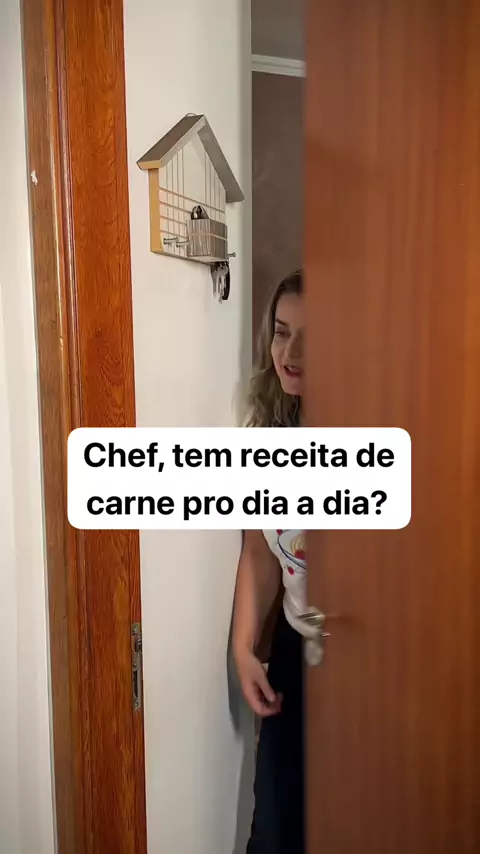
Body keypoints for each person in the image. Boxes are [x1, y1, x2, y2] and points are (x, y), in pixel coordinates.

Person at [233, 270, 307, 854]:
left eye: (312, 337)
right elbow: (260, 545)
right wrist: (243, 647)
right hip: (295, 648)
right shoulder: (269, 431)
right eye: (282, 332)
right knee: (276, 832)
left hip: (371, 661)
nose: (291, 353)